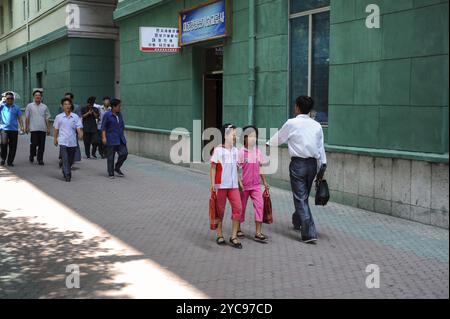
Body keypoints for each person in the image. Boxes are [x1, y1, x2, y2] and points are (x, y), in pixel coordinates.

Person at [267, 96, 327, 244]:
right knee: (303, 195)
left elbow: (280, 137)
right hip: (313, 165)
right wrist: (322, 166)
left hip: (298, 165)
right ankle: (297, 221)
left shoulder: (292, 123)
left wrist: (268, 143)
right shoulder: (317, 125)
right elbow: (320, 148)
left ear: (298, 107)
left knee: (300, 197)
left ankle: (309, 233)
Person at [210, 124, 243, 249]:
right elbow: (213, 168)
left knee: (238, 208)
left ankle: (233, 236)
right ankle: (219, 235)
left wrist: (239, 181)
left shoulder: (235, 151)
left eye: (235, 134)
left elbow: (236, 168)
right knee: (220, 210)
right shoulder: (218, 150)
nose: (235, 136)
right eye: (233, 134)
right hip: (221, 185)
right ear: (225, 135)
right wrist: (213, 184)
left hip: (233, 185)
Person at [238, 126, 270, 243]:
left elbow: (260, 168)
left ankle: (258, 232)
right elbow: (237, 169)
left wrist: (265, 182)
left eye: (255, 136)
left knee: (259, 206)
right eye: (250, 136)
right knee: (241, 208)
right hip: (244, 186)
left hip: (256, 186)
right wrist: (239, 182)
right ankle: (238, 229)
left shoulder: (257, 152)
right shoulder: (241, 152)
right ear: (245, 138)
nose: (253, 139)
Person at [53, 98, 83, 182]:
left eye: (68, 104)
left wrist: (80, 133)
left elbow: (78, 127)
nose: (67, 106)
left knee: (70, 159)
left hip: (72, 141)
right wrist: (55, 139)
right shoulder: (58, 117)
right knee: (65, 158)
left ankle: (65, 168)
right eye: (65, 104)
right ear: (62, 106)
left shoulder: (75, 116)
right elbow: (56, 129)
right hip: (62, 141)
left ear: (71, 105)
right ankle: (67, 174)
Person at [101, 99, 128, 179]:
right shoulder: (107, 115)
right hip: (111, 139)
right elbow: (103, 127)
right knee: (110, 157)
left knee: (124, 154)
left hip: (120, 139)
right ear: (113, 107)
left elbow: (122, 125)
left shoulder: (120, 114)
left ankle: (117, 167)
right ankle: (111, 172)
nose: (120, 108)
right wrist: (104, 137)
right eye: (119, 106)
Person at [25, 90, 51, 165]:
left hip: (42, 128)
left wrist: (48, 128)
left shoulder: (44, 106)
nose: (38, 96)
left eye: (39, 95)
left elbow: (47, 118)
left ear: (41, 97)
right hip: (33, 128)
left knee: (42, 145)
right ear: (34, 96)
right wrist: (27, 127)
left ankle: (40, 159)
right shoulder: (30, 106)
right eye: (36, 95)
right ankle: (32, 154)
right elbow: (27, 117)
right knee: (34, 144)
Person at [0, 92, 25, 167]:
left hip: (14, 130)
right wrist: (2, 101)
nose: (10, 100)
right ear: (5, 99)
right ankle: (3, 158)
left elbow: (20, 118)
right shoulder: (2, 106)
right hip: (4, 129)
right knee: (3, 144)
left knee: (13, 146)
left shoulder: (16, 107)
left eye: (11, 98)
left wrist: (22, 127)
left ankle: (10, 161)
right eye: (8, 98)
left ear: (13, 99)